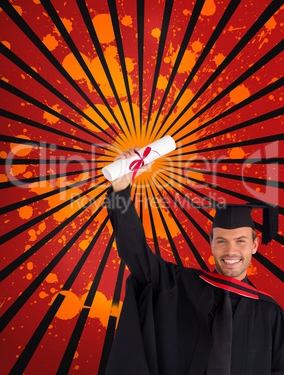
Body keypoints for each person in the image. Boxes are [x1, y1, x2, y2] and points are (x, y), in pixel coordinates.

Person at [104, 148, 284, 375]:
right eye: (221, 241)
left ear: (254, 246)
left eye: (240, 241)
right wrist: (121, 188)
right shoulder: (178, 286)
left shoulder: (270, 314)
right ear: (211, 243)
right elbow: (135, 252)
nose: (231, 251)